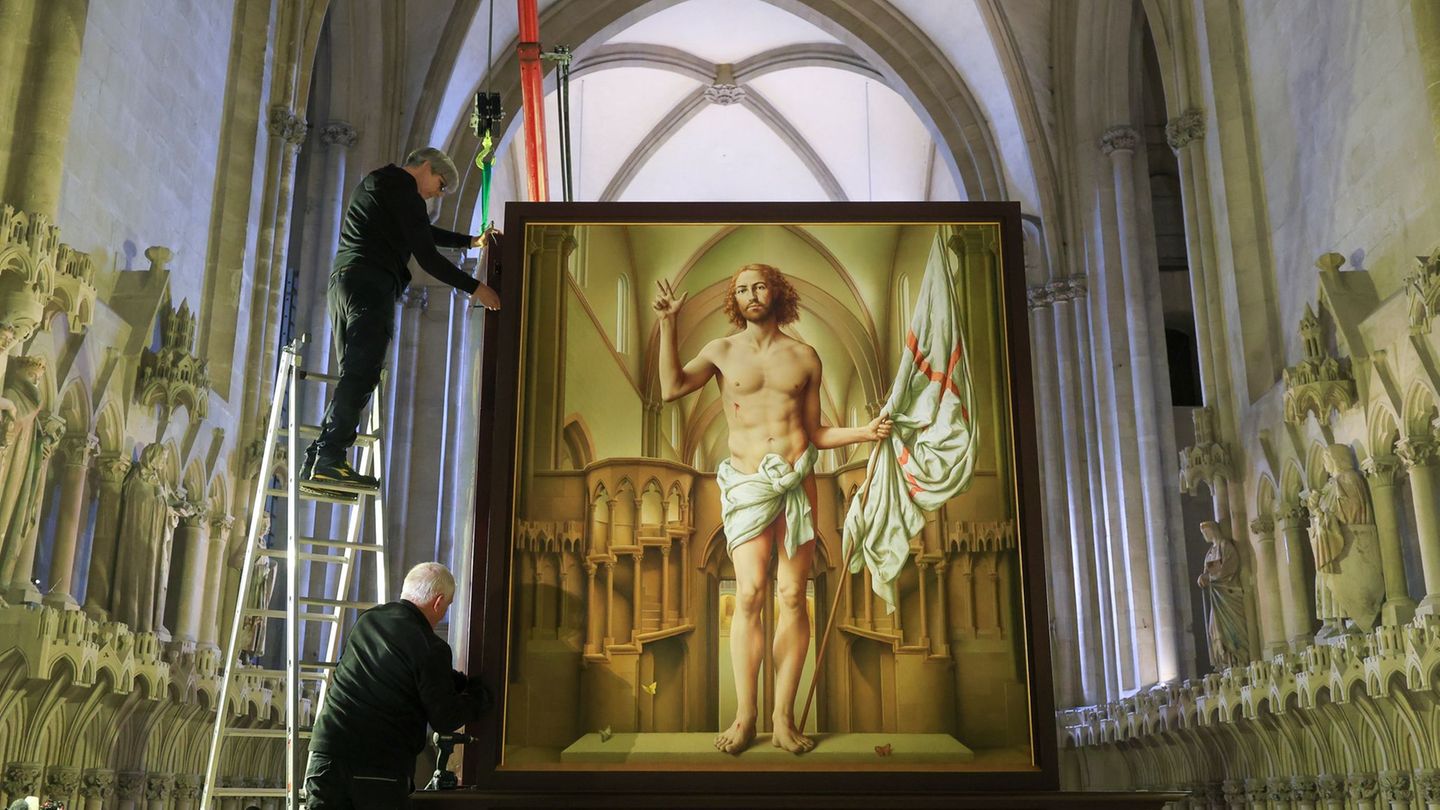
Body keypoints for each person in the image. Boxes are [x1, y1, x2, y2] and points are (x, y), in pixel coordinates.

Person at [653, 264, 891, 755]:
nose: (750, 294)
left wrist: (865, 434)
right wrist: (668, 324)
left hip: (797, 483)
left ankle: (782, 718)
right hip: (745, 486)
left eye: (758, 286)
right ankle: (746, 716)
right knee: (749, 594)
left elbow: (817, 433)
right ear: (733, 300)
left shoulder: (805, 356)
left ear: (776, 292)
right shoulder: (721, 350)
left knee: (790, 594)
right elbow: (671, 388)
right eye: (740, 288)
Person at [302, 147, 502, 489]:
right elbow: (425, 255)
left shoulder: (381, 183)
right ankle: (330, 459)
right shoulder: (405, 192)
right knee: (362, 374)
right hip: (371, 286)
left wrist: (469, 241)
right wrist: (475, 287)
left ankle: (317, 459)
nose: (437, 193)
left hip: (345, 283)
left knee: (354, 375)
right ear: (426, 167)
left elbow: (422, 231)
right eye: (440, 185)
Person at [304, 562, 490, 808]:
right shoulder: (430, 646)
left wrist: (456, 681)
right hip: (376, 770)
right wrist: (480, 695)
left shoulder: (367, 622)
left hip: (325, 759)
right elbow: (445, 717)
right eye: (447, 606)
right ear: (438, 602)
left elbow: (402, 669)